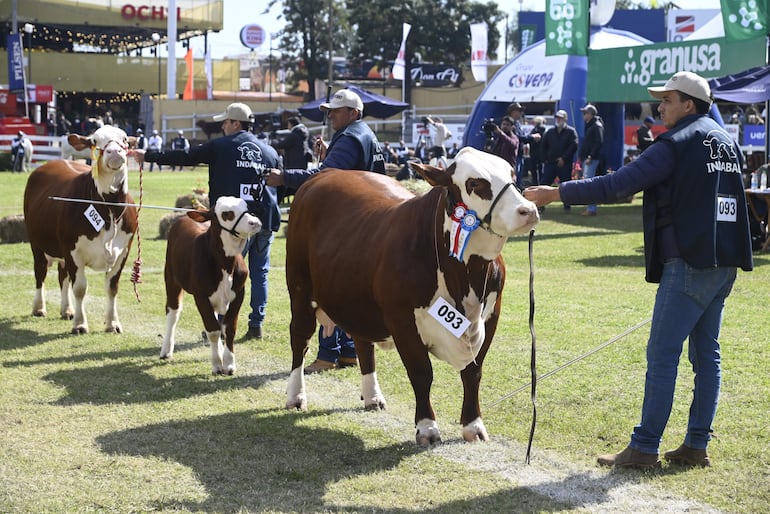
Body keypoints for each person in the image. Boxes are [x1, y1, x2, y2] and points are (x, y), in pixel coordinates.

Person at [524, 71, 753, 470]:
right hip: (723, 263)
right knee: (707, 356)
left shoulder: (676, 143)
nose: (659, 106)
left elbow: (618, 186)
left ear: (689, 104)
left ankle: (645, 447)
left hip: (688, 264)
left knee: (663, 356)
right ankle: (696, 444)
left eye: (667, 99)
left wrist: (554, 193)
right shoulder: (726, 141)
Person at [267, 88, 385, 373]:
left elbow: (326, 178)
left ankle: (327, 354)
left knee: (329, 288)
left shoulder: (350, 137)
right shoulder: (363, 133)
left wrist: (284, 177)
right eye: (330, 110)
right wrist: (329, 153)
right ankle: (347, 351)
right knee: (351, 291)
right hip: (367, 224)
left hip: (347, 226)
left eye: (336, 110)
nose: (330, 114)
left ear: (353, 113)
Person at [144, 102, 281, 341]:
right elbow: (282, 186)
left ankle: (218, 325)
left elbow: (187, 156)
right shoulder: (269, 151)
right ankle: (256, 324)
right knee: (260, 273)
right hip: (264, 219)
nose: (222, 126)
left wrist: (148, 155)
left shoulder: (221, 146)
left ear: (236, 123)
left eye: (225, 122)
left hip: (234, 224)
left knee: (226, 272)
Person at [539, 109, 579, 211]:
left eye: (561, 118)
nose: (558, 120)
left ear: (565, 119)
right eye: (557, 117)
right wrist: (545, 159)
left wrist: (564, 158)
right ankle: (540, 205)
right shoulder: (550, 131)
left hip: (565, 164)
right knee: (544, 184)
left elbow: (574, 146)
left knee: (566, 185)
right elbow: (543, 146)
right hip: (551, 163)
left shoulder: (571, 131)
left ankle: (567, 205)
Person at [578, 104, 605, 216]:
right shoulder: (591, 125)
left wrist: (591, 156)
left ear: (590, 114)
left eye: (585, 113)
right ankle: (590, 207)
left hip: (592, 159)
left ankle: (592, 209)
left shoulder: (596, 125)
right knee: (589, 182)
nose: (583, 115)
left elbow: (598, 142)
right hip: (589, 158)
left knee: (590, 183)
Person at [505, 102, 542, 184]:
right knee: (514, 179)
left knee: (519, 178)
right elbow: (517, 137)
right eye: (519, 111)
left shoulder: (517, 123)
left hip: (519, 154)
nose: (521, 113)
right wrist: (532, 137)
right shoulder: (509, 123)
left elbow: (522, 136)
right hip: (513, 156)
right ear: (513, 112)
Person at [488, 116, 519, 182]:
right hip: (497, 167)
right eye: (503, 124)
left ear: (512, 127)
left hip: (508, 168)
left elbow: (512, 144)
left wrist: (500, 133)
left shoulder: (514, 138)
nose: (505, 126)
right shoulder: (499, 137)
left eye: (507, 125)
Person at [527, 116, 547, 185]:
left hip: (536, 153)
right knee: (539, 171)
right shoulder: (542, 130)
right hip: (539, 153)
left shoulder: (537, 130)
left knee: (535, 171)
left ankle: (536, 184)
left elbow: (532, 140)